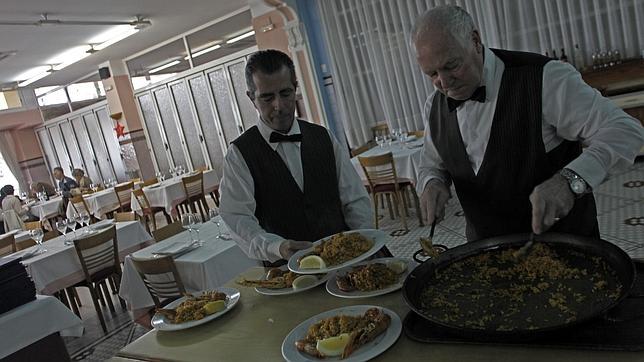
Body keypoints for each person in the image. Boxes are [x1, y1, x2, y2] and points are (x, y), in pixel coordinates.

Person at [412, 6, 644, 241]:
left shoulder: (544, 78)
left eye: (451, 65)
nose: (444, 82)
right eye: (431, 74)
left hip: (567, 249)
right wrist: (432, 182)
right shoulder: (434, 106)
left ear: (475, 40)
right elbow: (432, 164)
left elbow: (625, 130)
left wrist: (571, 180)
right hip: (485, 254)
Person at [219, 49, 375, 266]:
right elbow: (237, 218)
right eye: (267, 97)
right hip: (287, 274)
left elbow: (355, 199)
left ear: (295, 88)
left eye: (285, 93)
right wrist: (276, 247)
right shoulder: (239, 155)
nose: (279, 106)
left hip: (346, 261)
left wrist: (363, 244)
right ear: (251, 98)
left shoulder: (323, 136)